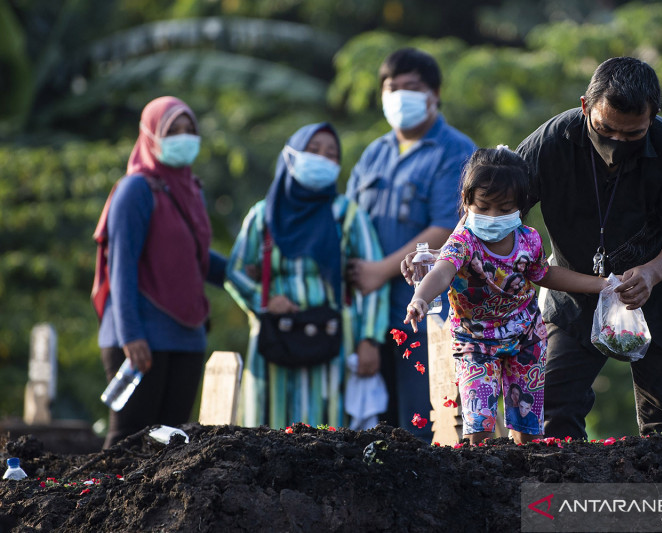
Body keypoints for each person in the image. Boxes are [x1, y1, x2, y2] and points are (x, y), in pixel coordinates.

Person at [514, 57, 662, 439]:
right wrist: (456, 256)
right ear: (585, 105)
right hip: (574, 295)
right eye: (604, 128)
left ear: (653, 116)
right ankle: (561, 497)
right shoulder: (549, 143)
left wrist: (650, 273)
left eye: (632, 134)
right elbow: (495, 211)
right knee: (551, 408)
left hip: (660, 293)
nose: (616, 142)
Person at [404, 147, 607, 445]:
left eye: (504, 208)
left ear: (520, 207)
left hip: (526, 337)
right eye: (483, 207)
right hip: (475, 343)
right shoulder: (463, 241)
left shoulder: (529, 239)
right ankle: (483, 482)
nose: (493, 216)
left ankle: (526, 480)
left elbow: (545, 274)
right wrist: (420, 298)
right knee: (479, 425)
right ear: (467, 201)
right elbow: (442, 272)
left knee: (529, 426)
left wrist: (599, 284)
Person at [346, 47, 476, 440]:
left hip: (429, 311)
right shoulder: (375, 152)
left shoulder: (455, 150)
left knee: (427, 425)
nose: (401, 95)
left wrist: (379, 272)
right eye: (393, 87)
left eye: (412, 87)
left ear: (434, 93)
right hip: (369, 318)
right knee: (372, 431)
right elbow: (348, 220)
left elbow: (448, 227)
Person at [225, 122, 388, 429]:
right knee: (267, 431)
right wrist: (265, 302)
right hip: (275, 338)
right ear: (291, 156)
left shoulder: (347, 214)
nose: (322, 159)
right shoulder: (263, 215)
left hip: (332, 340)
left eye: (331, 154)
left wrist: (370, 339)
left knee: (327, 437)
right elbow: (235, 270)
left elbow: (372, 282)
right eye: (313, 151)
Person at [91, 96, 227, 449]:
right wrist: (131, 334)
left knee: (171, 444)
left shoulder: (190, 188)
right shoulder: (135, 189)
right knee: (128, 443)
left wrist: (249, 273)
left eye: (189, 130)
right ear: (150, 135)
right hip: (140, 339)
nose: (183, 138)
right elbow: (120, 264)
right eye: (172, 131)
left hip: (187, 336)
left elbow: (194, 257)